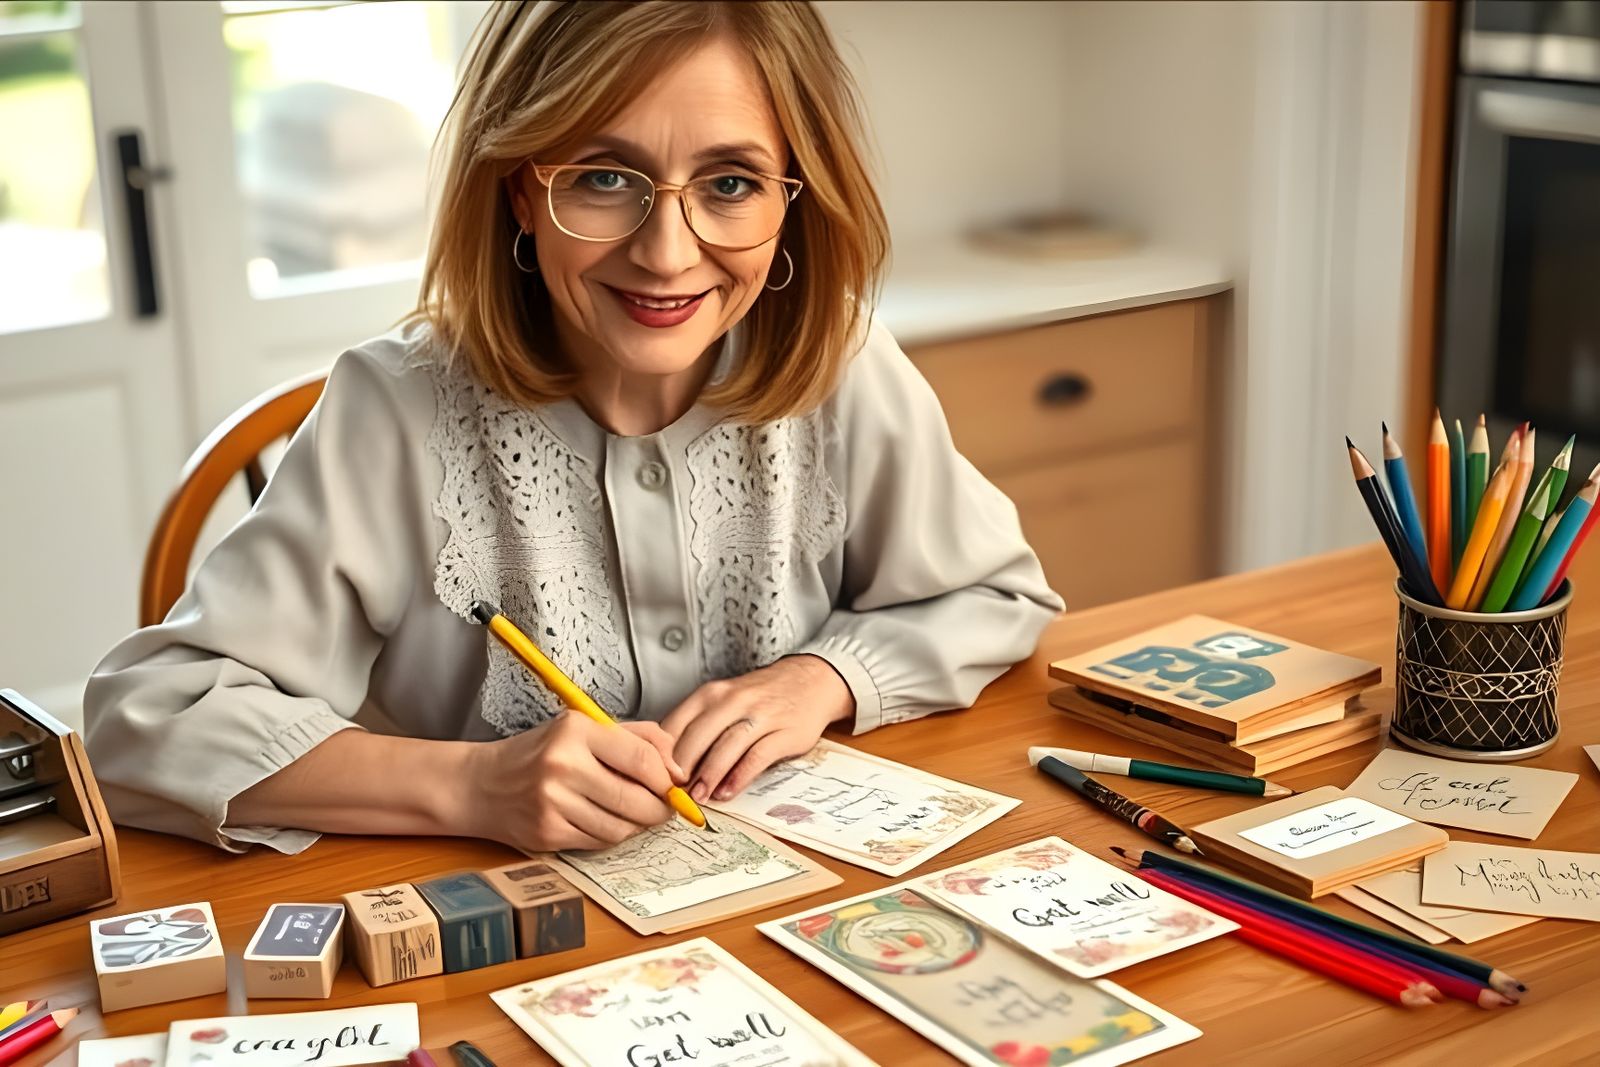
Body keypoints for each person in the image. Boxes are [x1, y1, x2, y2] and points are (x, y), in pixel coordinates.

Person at [84, 0, 1061, 856]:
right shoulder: (392, 409)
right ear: (519, 188)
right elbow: (144, 718)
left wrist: (825, 677)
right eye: (602, 177)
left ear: (791, 200)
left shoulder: (845, 364)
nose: (666, 254)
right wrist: (472, 785)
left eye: (730, 184)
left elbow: (998, 594)